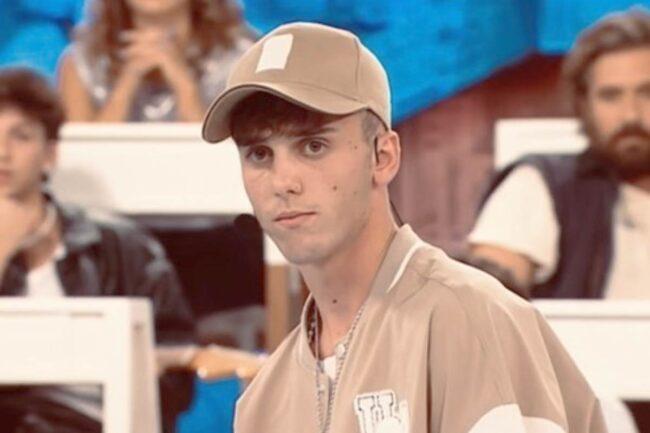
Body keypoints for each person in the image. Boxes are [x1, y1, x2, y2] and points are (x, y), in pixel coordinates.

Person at [201, 22, 607, 433]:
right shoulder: (263, 400)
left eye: (313, 146)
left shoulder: (469, 320)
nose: (283, 182)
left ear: (383, 157)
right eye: (259, 154)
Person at [0, 67, 196, 433]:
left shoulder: (122, 246)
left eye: (20, 136)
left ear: (50, 153)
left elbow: (176, 373)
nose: (2, 152)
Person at [468, 8, 650, 300]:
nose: (631, 115)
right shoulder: (544, 183)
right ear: (583, 105)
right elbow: (483, 296)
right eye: (610, 96)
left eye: (647, 93)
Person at [57, 0, 254, 122]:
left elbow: (227, 159)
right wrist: (126, 84)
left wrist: (183, 84)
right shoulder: (80, 62)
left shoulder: (241, 57)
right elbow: (81, 158)